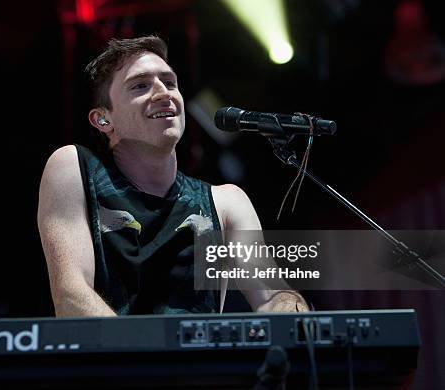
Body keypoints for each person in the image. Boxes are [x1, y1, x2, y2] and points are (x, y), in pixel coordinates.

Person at [38, 35, 308, 317]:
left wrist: (292, 309)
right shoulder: (75, 168)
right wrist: (148, 357)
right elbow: (71, 295)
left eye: (169, 83)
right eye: (140, 85)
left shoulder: (226, 202)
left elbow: (271, 294)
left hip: (200, 363)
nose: (163, 93)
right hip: (115, 360)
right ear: (104, 119)